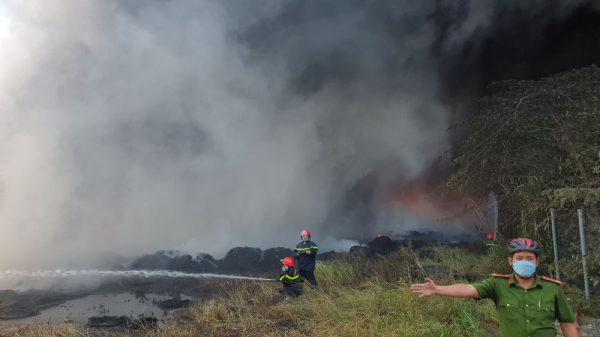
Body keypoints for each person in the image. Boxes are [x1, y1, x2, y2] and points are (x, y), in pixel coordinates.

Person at [410, 238, 578, 337]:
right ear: (511, 261)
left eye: (529, 258)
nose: (524, 262)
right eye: (519, 258)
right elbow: (469, 290)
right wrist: (437, 289)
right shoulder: (498, 284)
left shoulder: (552, 289)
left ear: (537, 262)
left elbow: (568, 324)